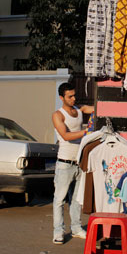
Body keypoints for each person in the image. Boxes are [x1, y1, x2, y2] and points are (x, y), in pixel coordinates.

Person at [52, 82, 94, 244]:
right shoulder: (58, 115)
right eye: (70, 96)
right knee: (59, 200)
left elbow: (97, 108)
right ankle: (58, 232)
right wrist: (87, 131)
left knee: (76, 200)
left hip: (79, 162)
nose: (73, 98)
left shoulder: (79, 109)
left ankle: (76, 229)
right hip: (64, 163)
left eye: (75, 95)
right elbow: (66, 136)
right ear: (62, 98)